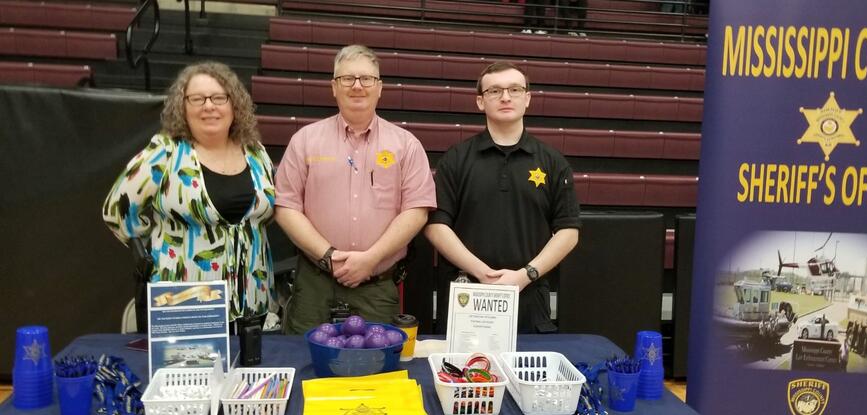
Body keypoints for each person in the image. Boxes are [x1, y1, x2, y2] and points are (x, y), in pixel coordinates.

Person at [274, 44, 436, 334]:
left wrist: (371, 258)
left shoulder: (406, 145)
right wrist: (328, 256)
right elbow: (286, 207)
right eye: (347, 79)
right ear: (334, 87)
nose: (357, 86)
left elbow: (417, 211)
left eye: (367, 79)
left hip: (376, 286)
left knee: (377, 372)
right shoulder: (305, 141)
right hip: (314, 284)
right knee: (303, 366)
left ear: (380, 87)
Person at [103, 61, 276, 327]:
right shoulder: (165, 153)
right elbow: (117, 209)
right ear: (182, 107)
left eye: (219, 97)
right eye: (197, 99)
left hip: (254, 305)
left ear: (234, 105)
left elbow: (266, 215)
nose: (209, 106)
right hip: (185, 307)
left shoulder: (256, 153)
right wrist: (160, 247)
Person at [425, 62, 581, 333]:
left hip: (529, 299)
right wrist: (482, 274)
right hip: (467, 299)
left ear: (527, 98)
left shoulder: (553, 162)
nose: (506, 97)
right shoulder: (456, 159)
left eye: (514, 89)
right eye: (495, 90)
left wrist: (525, 275)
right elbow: (436, 226)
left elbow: (568, 231)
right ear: (480, 102)